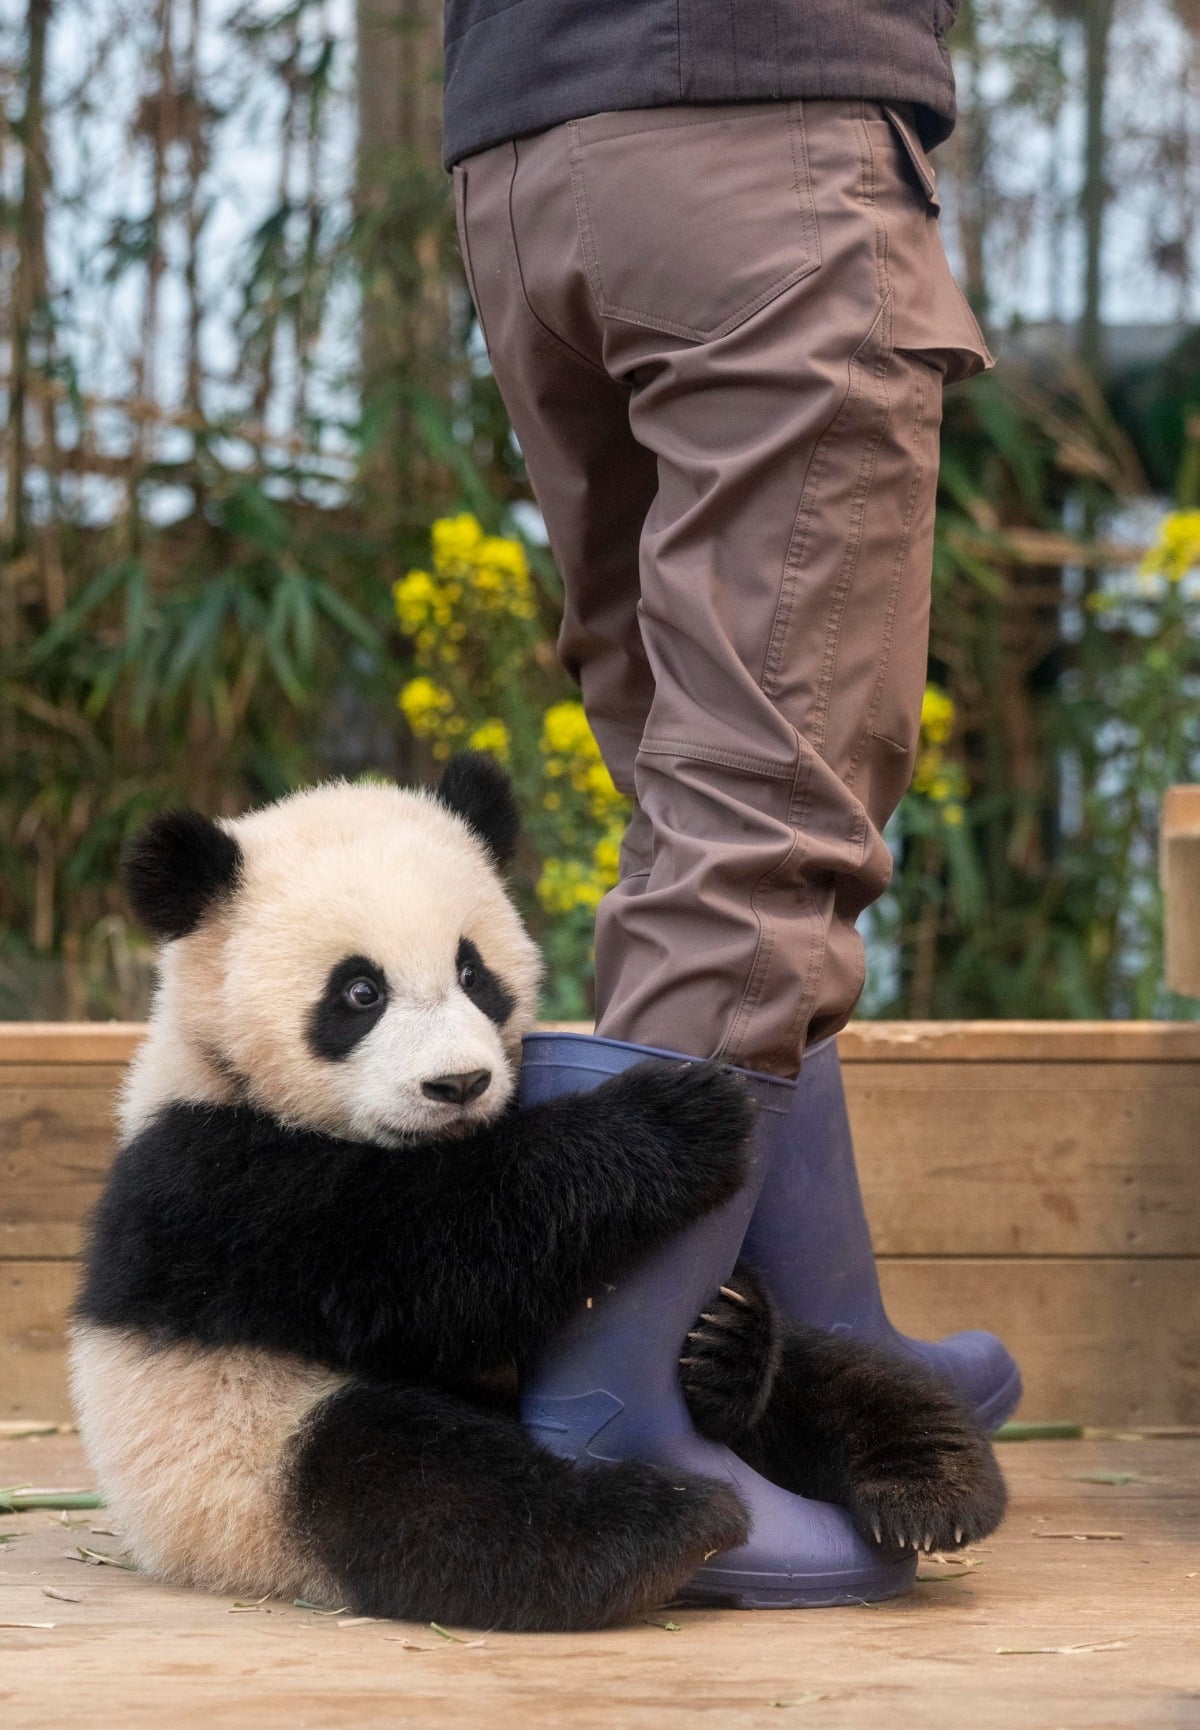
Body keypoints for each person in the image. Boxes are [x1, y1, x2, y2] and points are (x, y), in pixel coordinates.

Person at [441, 0, 1021, 1602]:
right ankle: (613, 1411)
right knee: (769, 808)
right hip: (766, 129)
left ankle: (833, 1346)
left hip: (529, 152)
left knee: (710, 793)